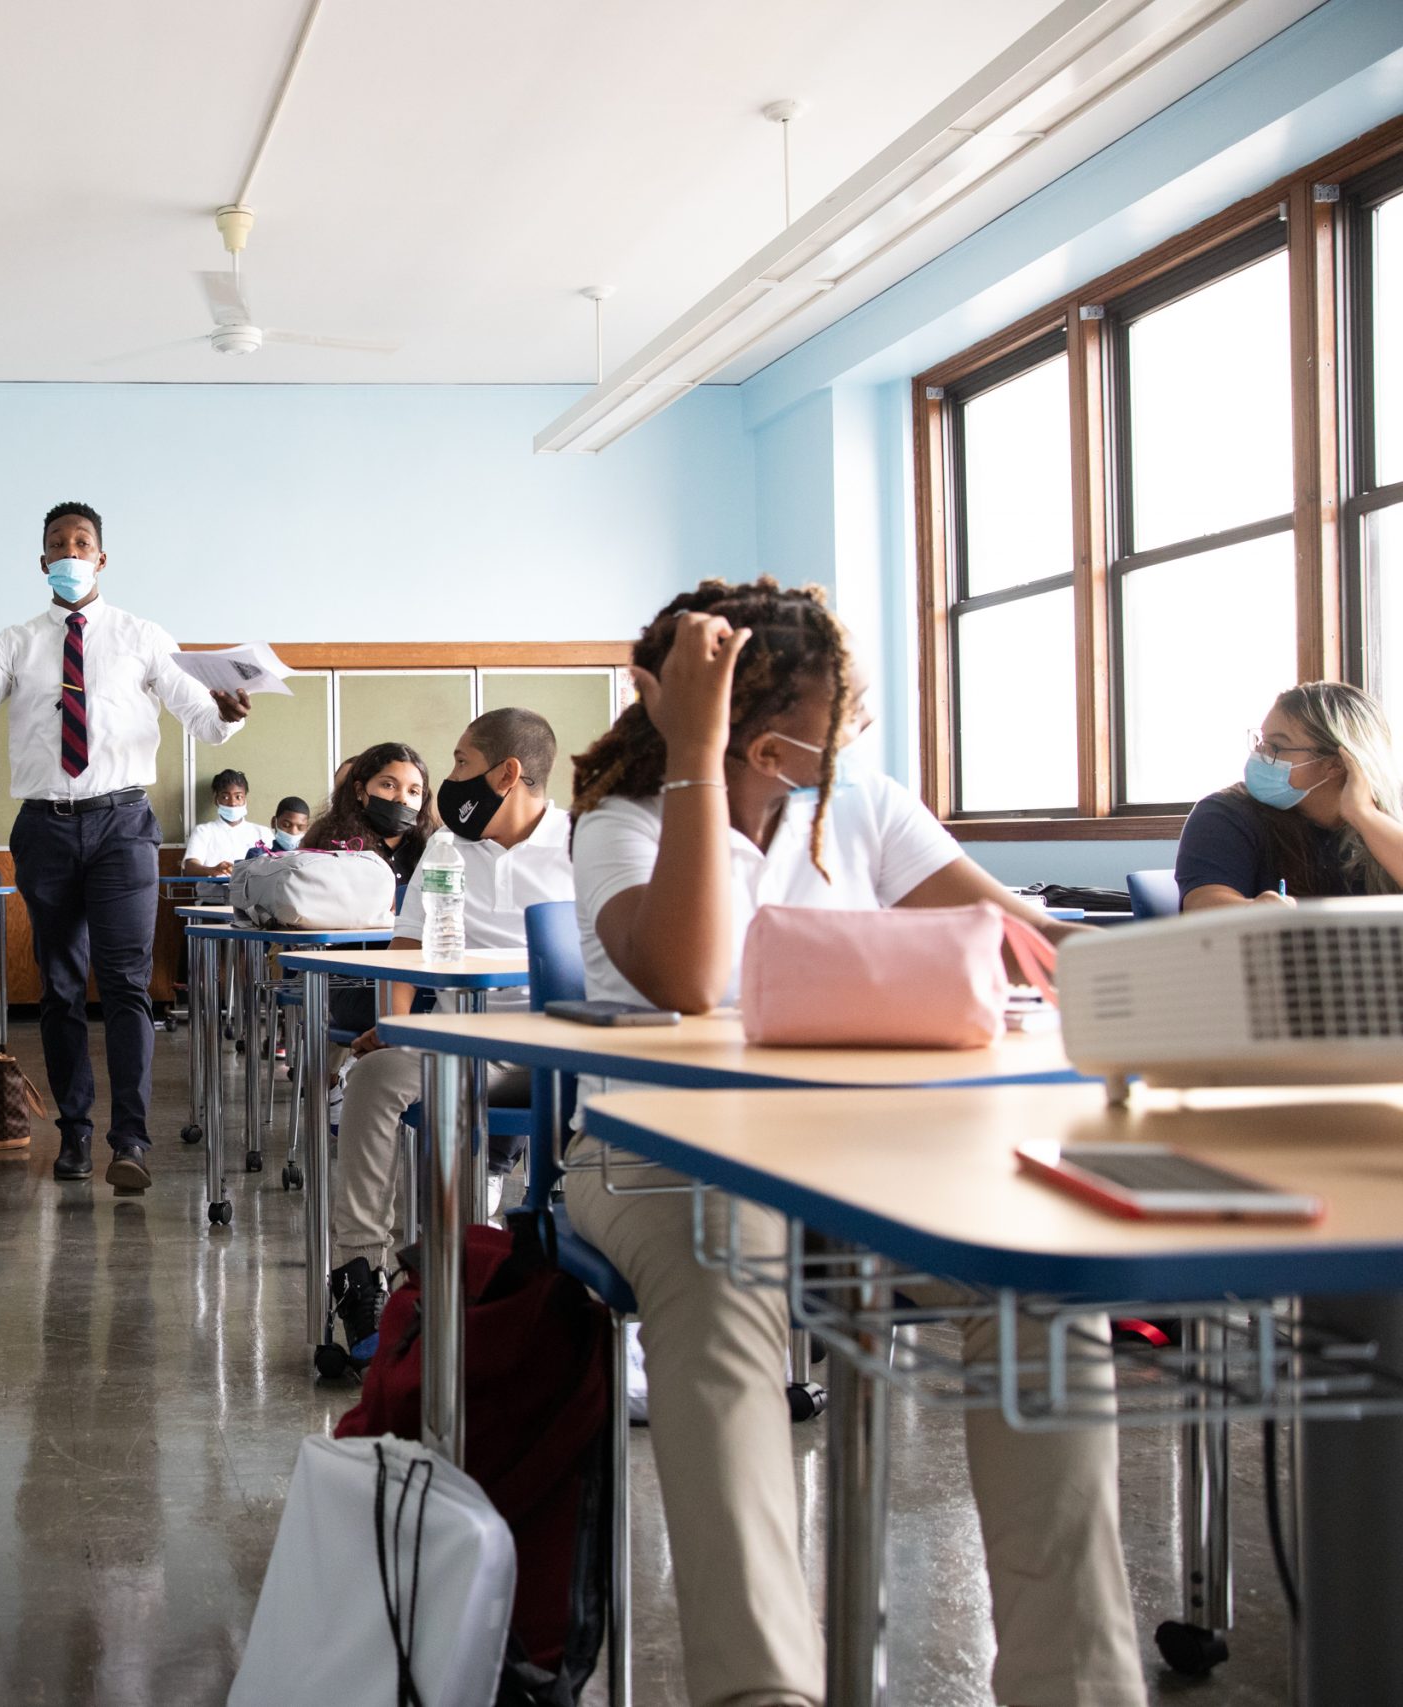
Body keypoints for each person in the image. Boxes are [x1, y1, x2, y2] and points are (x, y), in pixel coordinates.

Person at [563, 577, 1133, 1707]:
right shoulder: (621, 826)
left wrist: (1166, 967)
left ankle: (1078, 1687)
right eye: (827, 723)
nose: (846, 739)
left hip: (869, 1155)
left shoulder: (859, 807)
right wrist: (692, 757)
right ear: (754, 740)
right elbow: (680, 979)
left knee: (1036, 1286)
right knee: (730, 1262)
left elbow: (1026, 939)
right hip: (657, 1153)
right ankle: (758, 1690)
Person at [0, 501, 250, 1192]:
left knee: (125, 983)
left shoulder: (143, 636)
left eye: (82, 542)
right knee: (57, 986)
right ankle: (75, 1133)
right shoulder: (16, 642)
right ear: (42, 560)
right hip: (45, 827)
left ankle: (131, 1139)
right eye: (57, 544)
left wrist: (227, 714)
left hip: (123, 827)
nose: (70, 552)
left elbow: (203, 717)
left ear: (102, 558)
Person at [325, 710, 573, 1352]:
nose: (450, 779)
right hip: (458, 1038)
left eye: (461, 763)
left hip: (552, 1044)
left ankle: (538, 1280)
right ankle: (357, 1272)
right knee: (374, 1077)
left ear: (506, 774)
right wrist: (396, 1024)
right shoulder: (446, 847)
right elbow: (408, 944)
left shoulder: (580, 845)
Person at [1178, 682, 1403, 911]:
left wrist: (1364, 815)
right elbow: (1202, 906)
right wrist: (1255, 909)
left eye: (1275, 746)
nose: (1260, 754)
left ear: (1335, 764)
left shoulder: (1390, 815)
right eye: (1262, 741)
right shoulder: (1225, 814)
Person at [303, 740, 436, 885]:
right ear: (360, 790)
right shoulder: (329, 840)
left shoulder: (433, 847)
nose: (402, 799)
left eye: (413, 792)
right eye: (389, 785)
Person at [181, 768, 269, 873]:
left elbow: (277, 864)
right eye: (225, 797)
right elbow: (190, 866)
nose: (232, 803)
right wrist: (213, 870)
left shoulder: (262, 832)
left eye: (238, 797)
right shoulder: (203, 831)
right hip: (214, 889)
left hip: (253, 889)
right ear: (216, 800)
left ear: (245, 799)